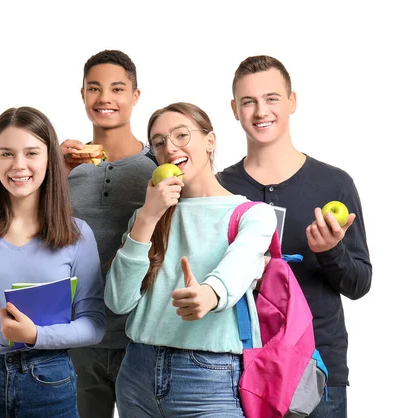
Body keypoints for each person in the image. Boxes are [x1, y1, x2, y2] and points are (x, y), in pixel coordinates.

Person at [217, 55, 372, 418]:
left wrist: (332, 251)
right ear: (234, 109)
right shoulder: (221, 188)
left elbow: (360, 283)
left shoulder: (335, 184)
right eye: (248, 101)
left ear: (292, 101)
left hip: (317, 368)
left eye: (271, 98)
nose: (260, 111)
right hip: (240, 364)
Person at [105, 102, 277, 417]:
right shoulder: (145, 218)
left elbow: (238, 266)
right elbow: (118, 302)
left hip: (209, 379)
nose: (170, 148)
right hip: (137, 374)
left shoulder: (253, 214)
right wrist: (147, 218)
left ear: (210, 141)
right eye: (159, 142)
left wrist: (209, 294)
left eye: (181, 135)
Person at [0, 106, 106, 418]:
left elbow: (94, 325)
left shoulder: (78, 234)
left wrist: (35, 336)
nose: (19, 165)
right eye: (6, 154)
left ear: (49, 160)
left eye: (31, 153)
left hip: (50, 379)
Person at [61, 49, 157, 418]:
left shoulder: (158, 167)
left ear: (135, 96)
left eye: (117, 89)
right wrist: (57, 172)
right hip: (78, 336)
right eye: (94, 88)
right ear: (83, 94)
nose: (105, 98)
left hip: (141, 337)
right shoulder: (63, 167)